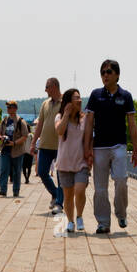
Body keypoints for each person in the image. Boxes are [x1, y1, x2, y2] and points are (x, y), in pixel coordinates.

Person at [83, 58, 137, 234]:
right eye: (102, 72)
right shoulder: (95, 95)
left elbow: (132, 124)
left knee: (121, 180)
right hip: (100, 146)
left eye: (108, 72)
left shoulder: (126, 96)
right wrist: (87, 148)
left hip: (119, 146)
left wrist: (135, 150)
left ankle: (121, 213)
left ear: (117, 75)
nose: (105, 75)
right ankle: (103, 222)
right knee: (100, 187)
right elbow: (89, 122)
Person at [54, 88, 89, 235]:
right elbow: (60, 131)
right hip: (64, 164)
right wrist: (67, 114)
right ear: (69, 101)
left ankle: (79, 216)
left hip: (81, 162)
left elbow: (89, 138)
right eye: (76, 98)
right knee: (68, 196)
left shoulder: (84, 118)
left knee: (80, 190)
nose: (79, 100)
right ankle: (70, 221)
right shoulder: (60, 117)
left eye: (80, 98)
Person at [30, 77, 64, 214]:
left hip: (61, 146)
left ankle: (59, 203)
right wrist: (33, 143)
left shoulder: (64, 102)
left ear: (54, 86)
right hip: (45, 145)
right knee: (42, 172)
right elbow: (40, 125)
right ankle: (55, 194)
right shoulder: (45, 104)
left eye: (47, 87)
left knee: (61, 176)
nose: (45, 90)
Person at [0, 100, 28, 198]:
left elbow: (25, 136)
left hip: (17, 151)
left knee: (17, 172)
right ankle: (3, 190)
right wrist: (1, 137)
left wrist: (14, 143)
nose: (8, 109)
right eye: (8, 107)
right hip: (5, 149)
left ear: (15, 108)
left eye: (10, 107)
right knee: (4, 170)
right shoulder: (4, 120)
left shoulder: (21, 121)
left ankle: (16, 191)